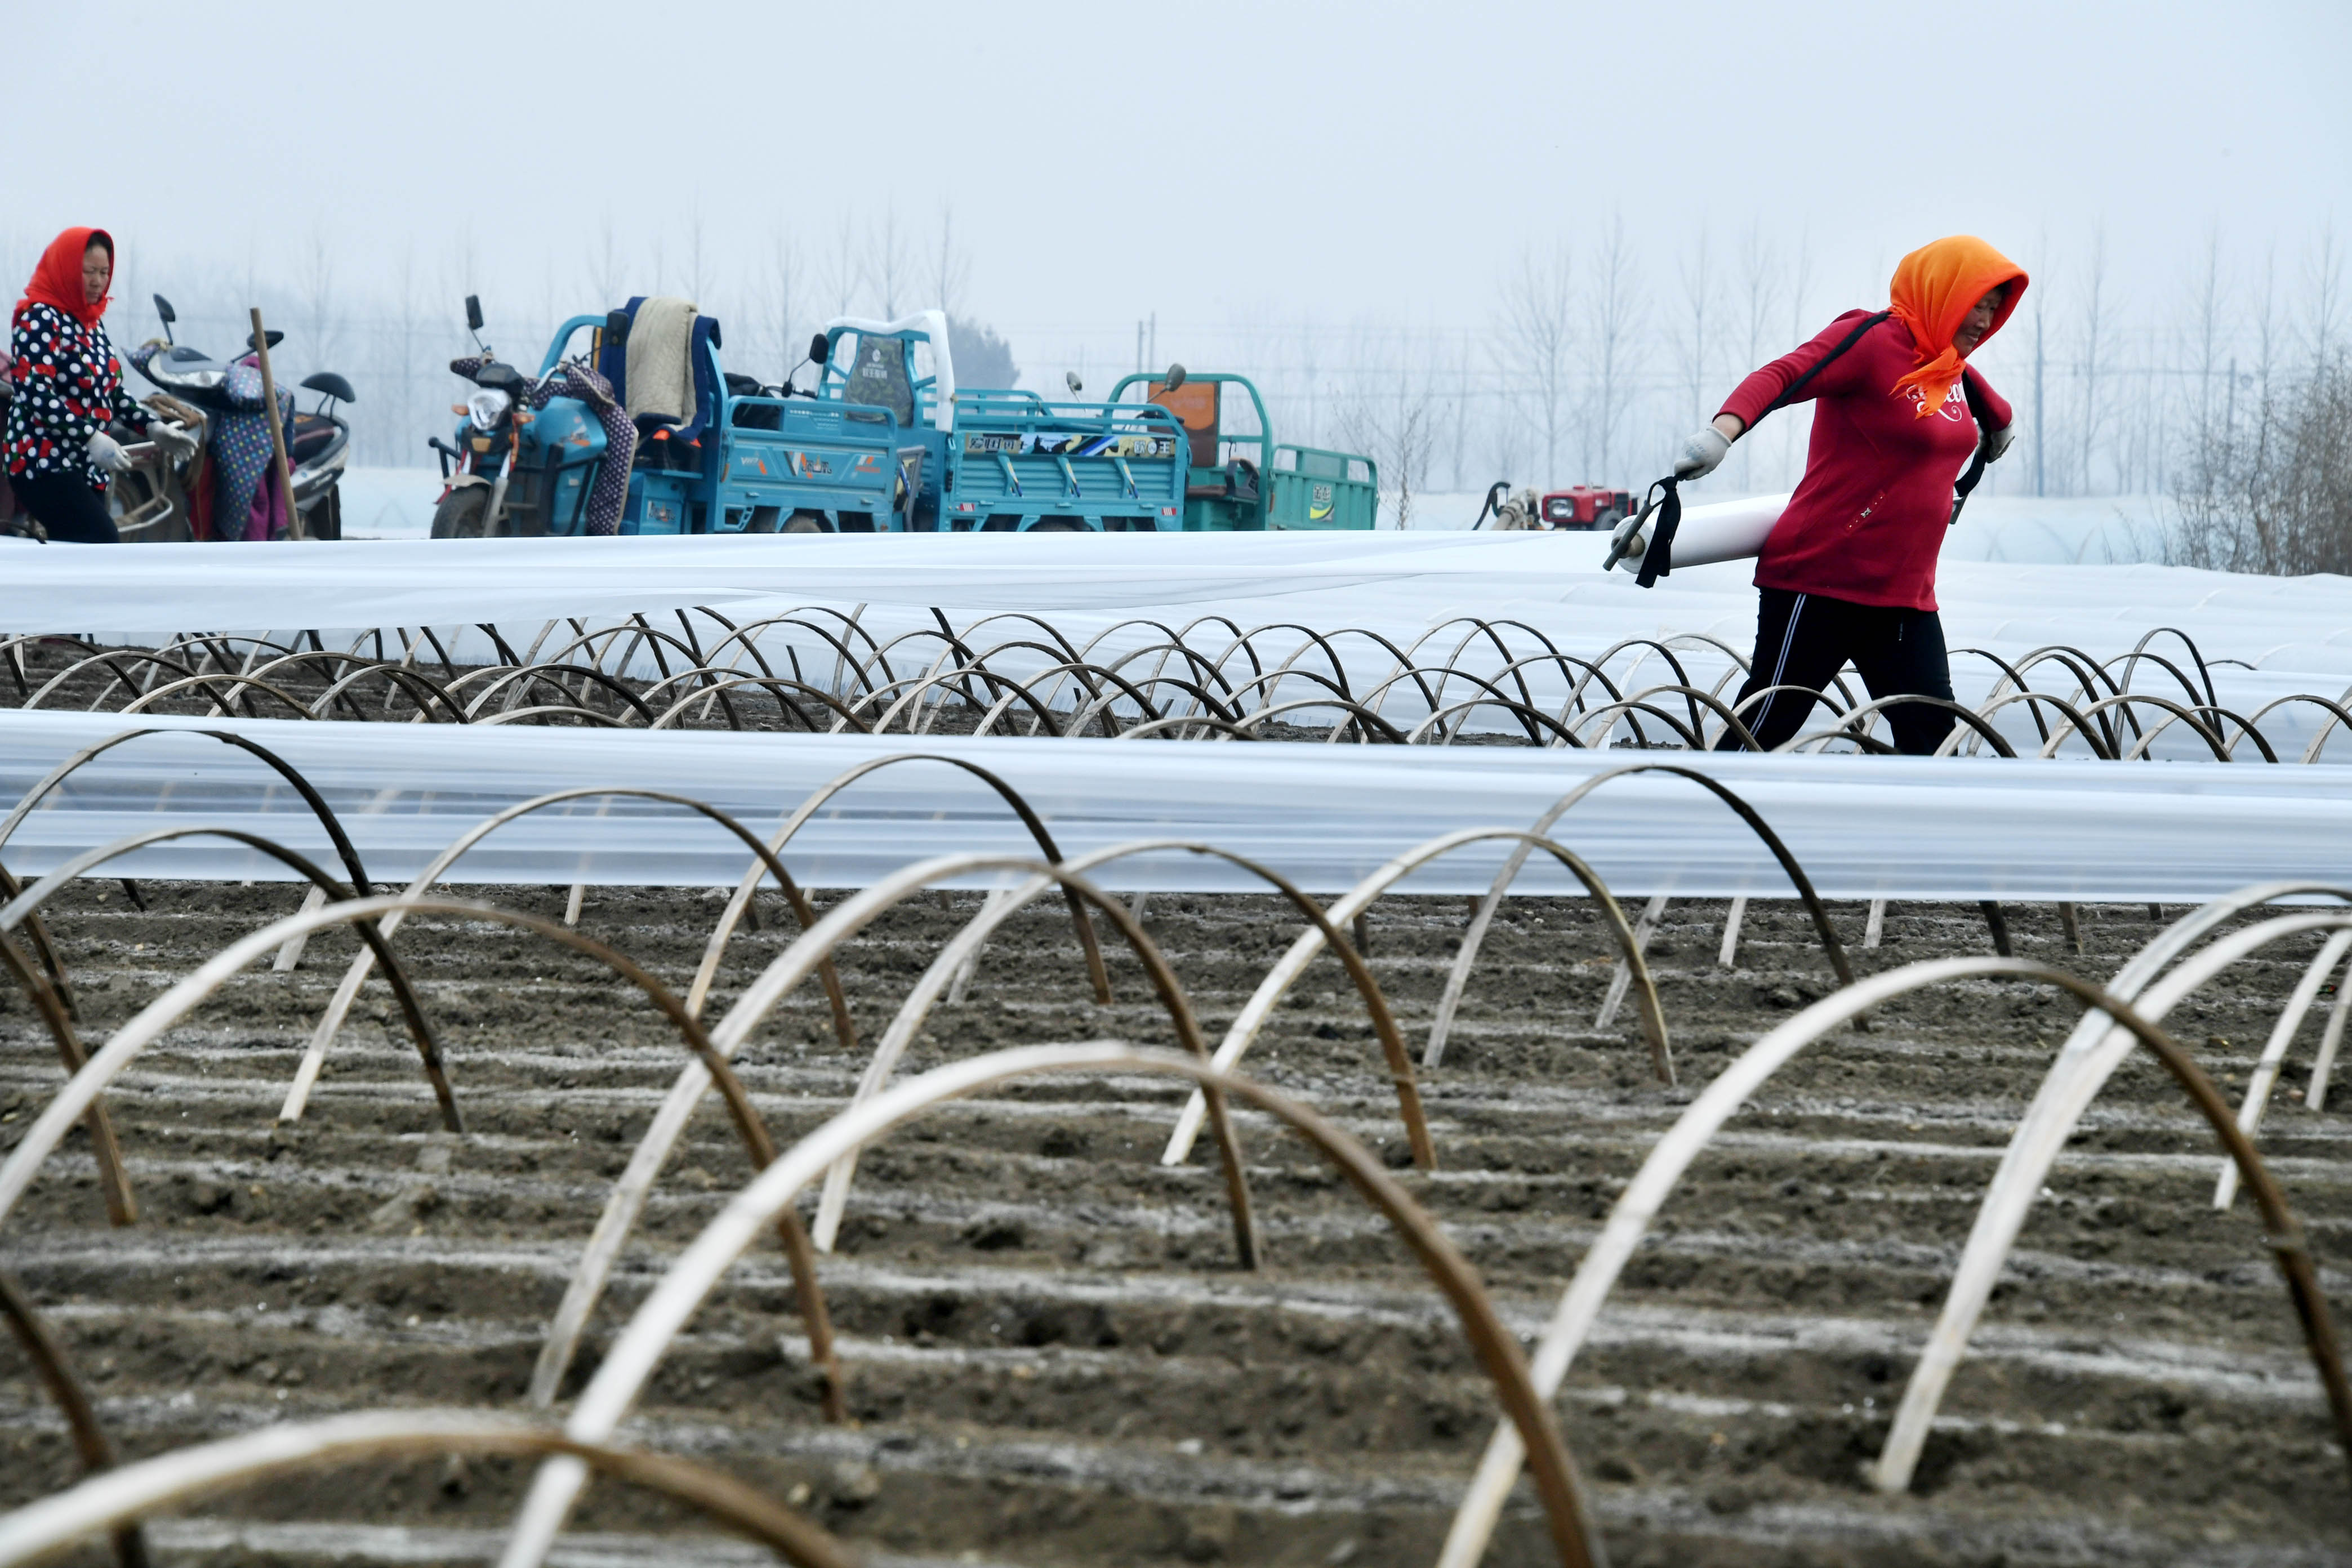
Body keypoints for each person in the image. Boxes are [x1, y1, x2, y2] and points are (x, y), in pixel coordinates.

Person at [1673, 235, 2028, 755]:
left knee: (1932, 739)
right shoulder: (1870, 342)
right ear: (1943, 294)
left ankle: (1923, 838)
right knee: (1766, 728)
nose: (1984, 321)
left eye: (1994, 310)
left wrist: (1999, 421)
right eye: (1977, 304)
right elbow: (1783, 373)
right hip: (1822, 582)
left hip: (1906, 596)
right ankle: (1699, 815)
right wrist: (1722, 433)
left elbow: (1978, 392)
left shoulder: (1946, 365)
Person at [5, 227, 195, 543]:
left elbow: (113, 392)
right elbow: (35, 394)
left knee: (80, 553)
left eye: (104, 272)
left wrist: (153, 428)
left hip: (85, 466)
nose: (98, 281)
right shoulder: (39, 318)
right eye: (89, 271)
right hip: (42, 462)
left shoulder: (91, 323)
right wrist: (91, 437)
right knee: (101, 538)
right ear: (66, 269)